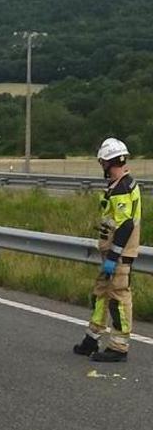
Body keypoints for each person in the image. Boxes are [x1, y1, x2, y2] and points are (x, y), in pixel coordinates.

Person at [73, 138, 141, 363]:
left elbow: (125, 225)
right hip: (112, 253)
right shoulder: (118, 185)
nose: (102, 166)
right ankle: (92, 338)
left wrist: (113, 256)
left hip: (119, 255)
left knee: (118, 298)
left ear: (109, 162)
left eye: (103, 162)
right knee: (100, 295)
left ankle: (119, 347)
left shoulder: (122, 188)